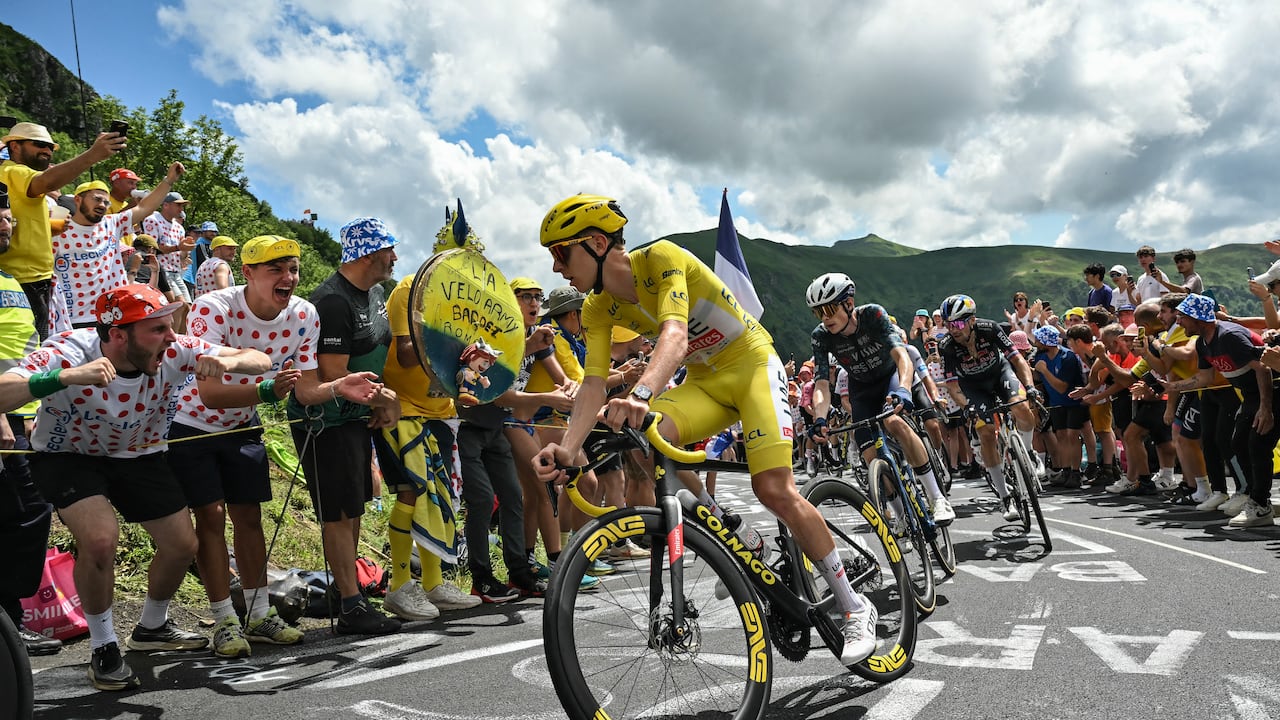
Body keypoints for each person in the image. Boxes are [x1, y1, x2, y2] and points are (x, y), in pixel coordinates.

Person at [532, 194, 879, 667]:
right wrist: (568, 449)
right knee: (652, 441)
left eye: (560, 254)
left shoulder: (661, 260)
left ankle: (854, 606)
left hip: (752, 365)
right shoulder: (597, 310)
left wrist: (640, 395)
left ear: (595, 243)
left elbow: (674, 334)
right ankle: (736, 534)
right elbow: (592, 382)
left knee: (773, 489)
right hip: (706, 384)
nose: (556, 269)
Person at [0, 284, 272, 690]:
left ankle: (150, 628)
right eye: (157, 330)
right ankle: (103, 645)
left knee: (183, 545)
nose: (171, 337)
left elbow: (259, 358)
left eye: (169, 326)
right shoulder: (72, 349)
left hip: (138, 453)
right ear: (117, 335)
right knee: (100, 540)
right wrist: (61, 378)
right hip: (69, 455)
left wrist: (227, 363)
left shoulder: (175, 348)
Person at [171, 235, 394, 656]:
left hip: (243, 421)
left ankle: (258, 615)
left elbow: (307, 391)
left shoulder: (304, 313)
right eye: (275, 269)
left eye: (293, 269)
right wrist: (270, 390)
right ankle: (224, 621)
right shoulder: (213, 307)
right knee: (213, 519)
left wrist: (339, 387)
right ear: (248, 273)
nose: (288, 277)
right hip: (192, 423)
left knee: (249, 518)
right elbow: (210, 394)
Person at [286, 218, 402, 634]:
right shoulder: (333, 302)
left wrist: (381, 396)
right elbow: (333, 373)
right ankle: (351, 606)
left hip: (355, 418)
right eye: (390, 249)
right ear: (369, 254)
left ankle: (345, 590)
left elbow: (372, 357)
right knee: (337, 513)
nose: (395, 257)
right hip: (325, 419)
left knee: (353, 509)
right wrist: (385, 398)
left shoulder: (374, 293)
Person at [803, 273, 954, 523]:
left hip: (889, 378)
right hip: (861, 389)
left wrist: (904, 390)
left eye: (829, 309)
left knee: (894, 423)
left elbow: (902, 356)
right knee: (870, 456)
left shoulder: (873, 315)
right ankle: (901, 517)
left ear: (848, 304)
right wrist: (820, 418)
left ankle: (937, 497)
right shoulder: (821, 336)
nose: (825, 318)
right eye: (818, 312)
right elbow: (821, 383)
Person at [376, 271, 480, 619]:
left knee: (440, 499)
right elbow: (406, 354)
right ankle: (400, 586)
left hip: (443, 413)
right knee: (411, 494)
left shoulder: (469, 302)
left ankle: (434, 584)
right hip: (404, 411)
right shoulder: (410, 289)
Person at [0, 122, 127, 337]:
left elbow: (18, 220)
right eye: (39, 144)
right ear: (14, 146)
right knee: (32, 354)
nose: (47, 151)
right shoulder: (14, 170)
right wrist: (92, 155)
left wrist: (48, 229)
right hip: (25, 282)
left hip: (31, 279)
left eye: (51, 147)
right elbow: (47, 182)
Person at [1166, 294, 1278, 527]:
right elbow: (1205, 377)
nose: (1179, 323)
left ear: (1198, 318)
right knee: (1238, 443)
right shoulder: (1202, 342)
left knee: (1258, 444)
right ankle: (1257, 498)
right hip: (1251, 394)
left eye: (1182, 318)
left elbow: (1264, 368)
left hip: (1272, 390)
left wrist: (1265, 408)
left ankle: (1259, 503)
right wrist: (1173, 387)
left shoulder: (1229, 336)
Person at [936, 294, 1041, 521]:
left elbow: (1018, 360)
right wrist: (966, 406)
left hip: (999, 374)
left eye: (957, 323)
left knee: (1020, 407)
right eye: (948, 324)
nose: (953, 329)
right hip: (973, 388)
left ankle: (1029, 453)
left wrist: (1030, 387)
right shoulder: (946, 346)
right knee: (985, 433)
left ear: (972, 320)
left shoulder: (990, 329)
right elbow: (953, 387)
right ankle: (1004, 497)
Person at [50, 163, 184, 330]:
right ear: (78, 200)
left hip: (115, 314)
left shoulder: (112, 223)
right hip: (74, 319)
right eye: (97, 199)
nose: (102, 205)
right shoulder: (58, 229)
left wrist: (168, 181)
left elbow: (145, 207)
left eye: (106, 202)